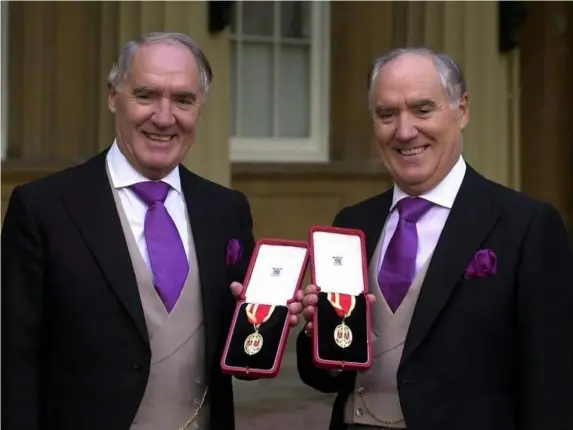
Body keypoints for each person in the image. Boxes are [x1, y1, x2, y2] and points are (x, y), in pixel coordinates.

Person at [1, 32, 297, 430]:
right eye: (146, 95)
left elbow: (240, 357)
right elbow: (13, 361)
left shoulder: (225, 210)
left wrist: (271, 323)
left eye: (183, 100)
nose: (163, 116)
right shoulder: (44, 208)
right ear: (113, 97)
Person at [292, 48, 573, 430]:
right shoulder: (353, 222)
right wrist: (317, 332)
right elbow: (324, 376)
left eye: (423, 110)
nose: (404, 131)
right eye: (386, 114)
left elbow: (551, 383)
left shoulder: (526, 225)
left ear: (462, 110)